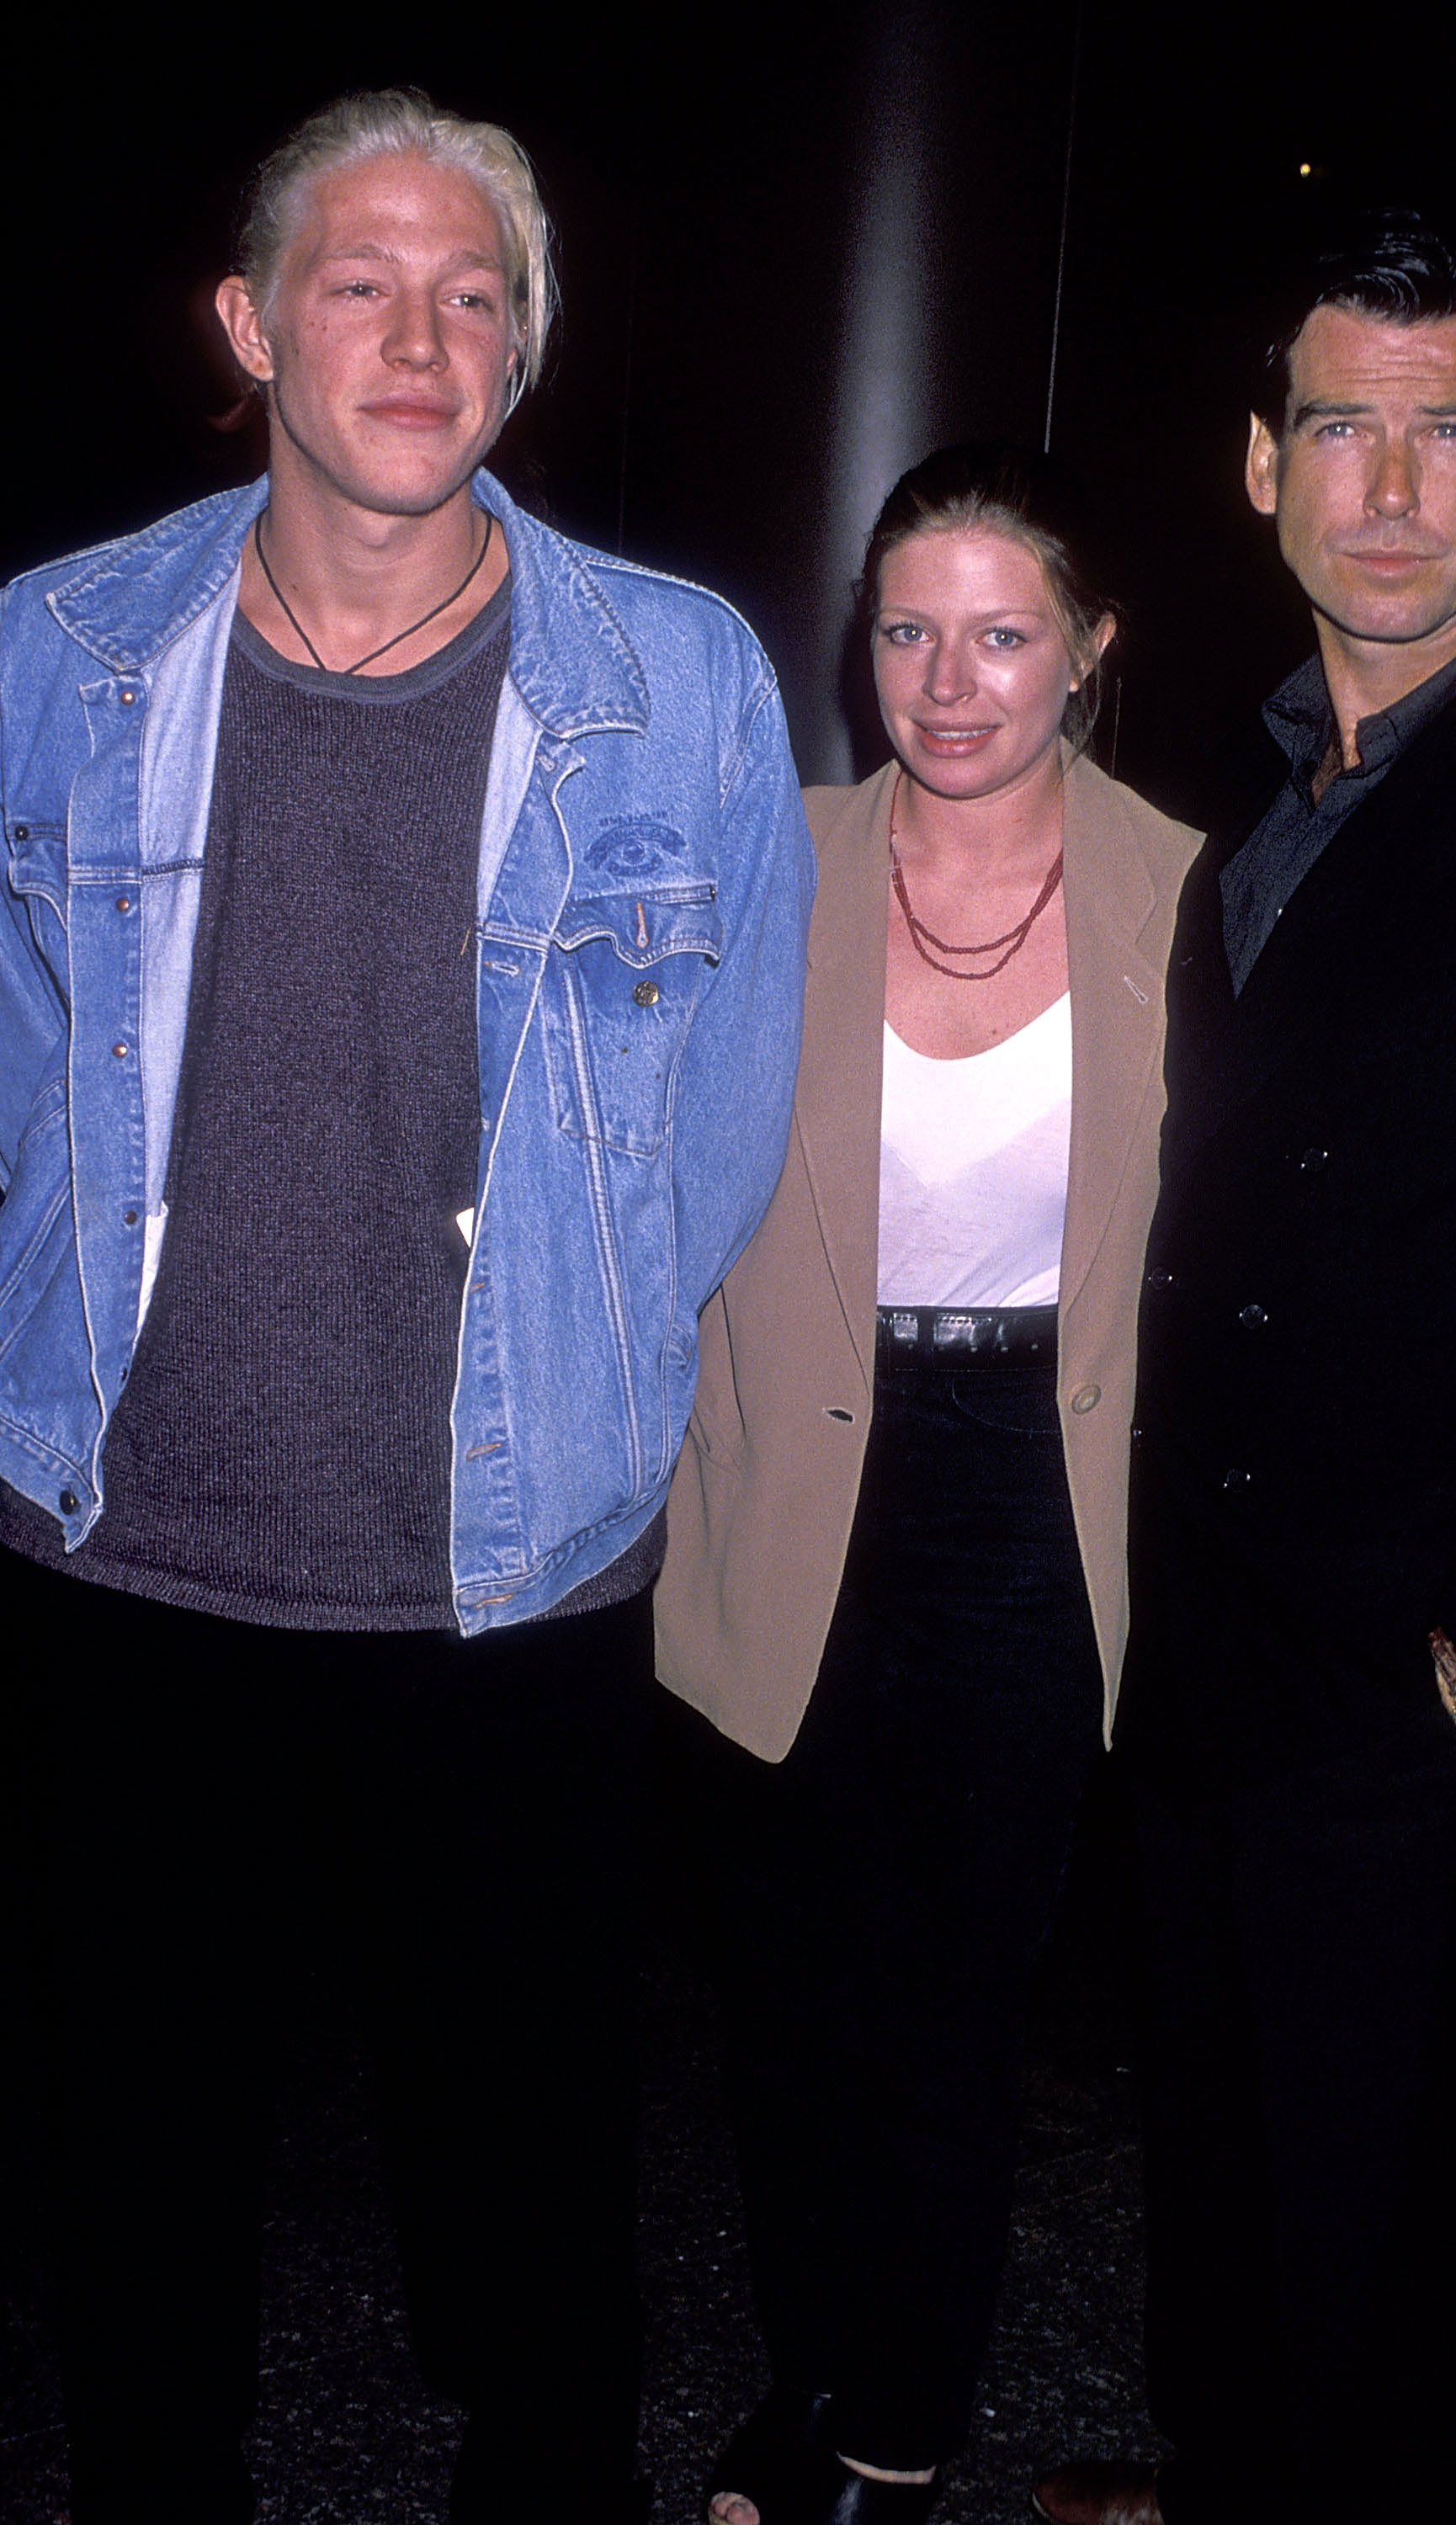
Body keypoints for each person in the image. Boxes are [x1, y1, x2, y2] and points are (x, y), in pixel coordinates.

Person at [0, 88, 811, 2525]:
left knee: (530, 2200)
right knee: (137, 2190)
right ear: (253, 327)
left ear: (523, 359)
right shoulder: (57, 647)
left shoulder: (673, 683)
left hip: (506, 1575)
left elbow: (726, 1130)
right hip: (124, 1552)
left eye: (477, 292)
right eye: (361, 278)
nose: (420, 330)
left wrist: (577, 1404)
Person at [1033, 215, 1456, 2525]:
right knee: (1226, 2242)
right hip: (1209, 1680)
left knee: (1394, 2298)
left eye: (1450, 430)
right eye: (1344, 427)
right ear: (1259, 466)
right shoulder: (1247, 794)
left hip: (1414, 1707)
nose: (1392, 487)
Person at [654, 443, 1198, 2524]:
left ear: (1088, 651)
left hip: (1031, 1503)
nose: (950, 681)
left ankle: (896, 2425)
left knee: (954, 2014)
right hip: (787, 1471)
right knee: (788, 2010)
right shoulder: (766, 864)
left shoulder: (1185, 889)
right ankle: (812, 2380)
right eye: (908, 630)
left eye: (1001, 634)